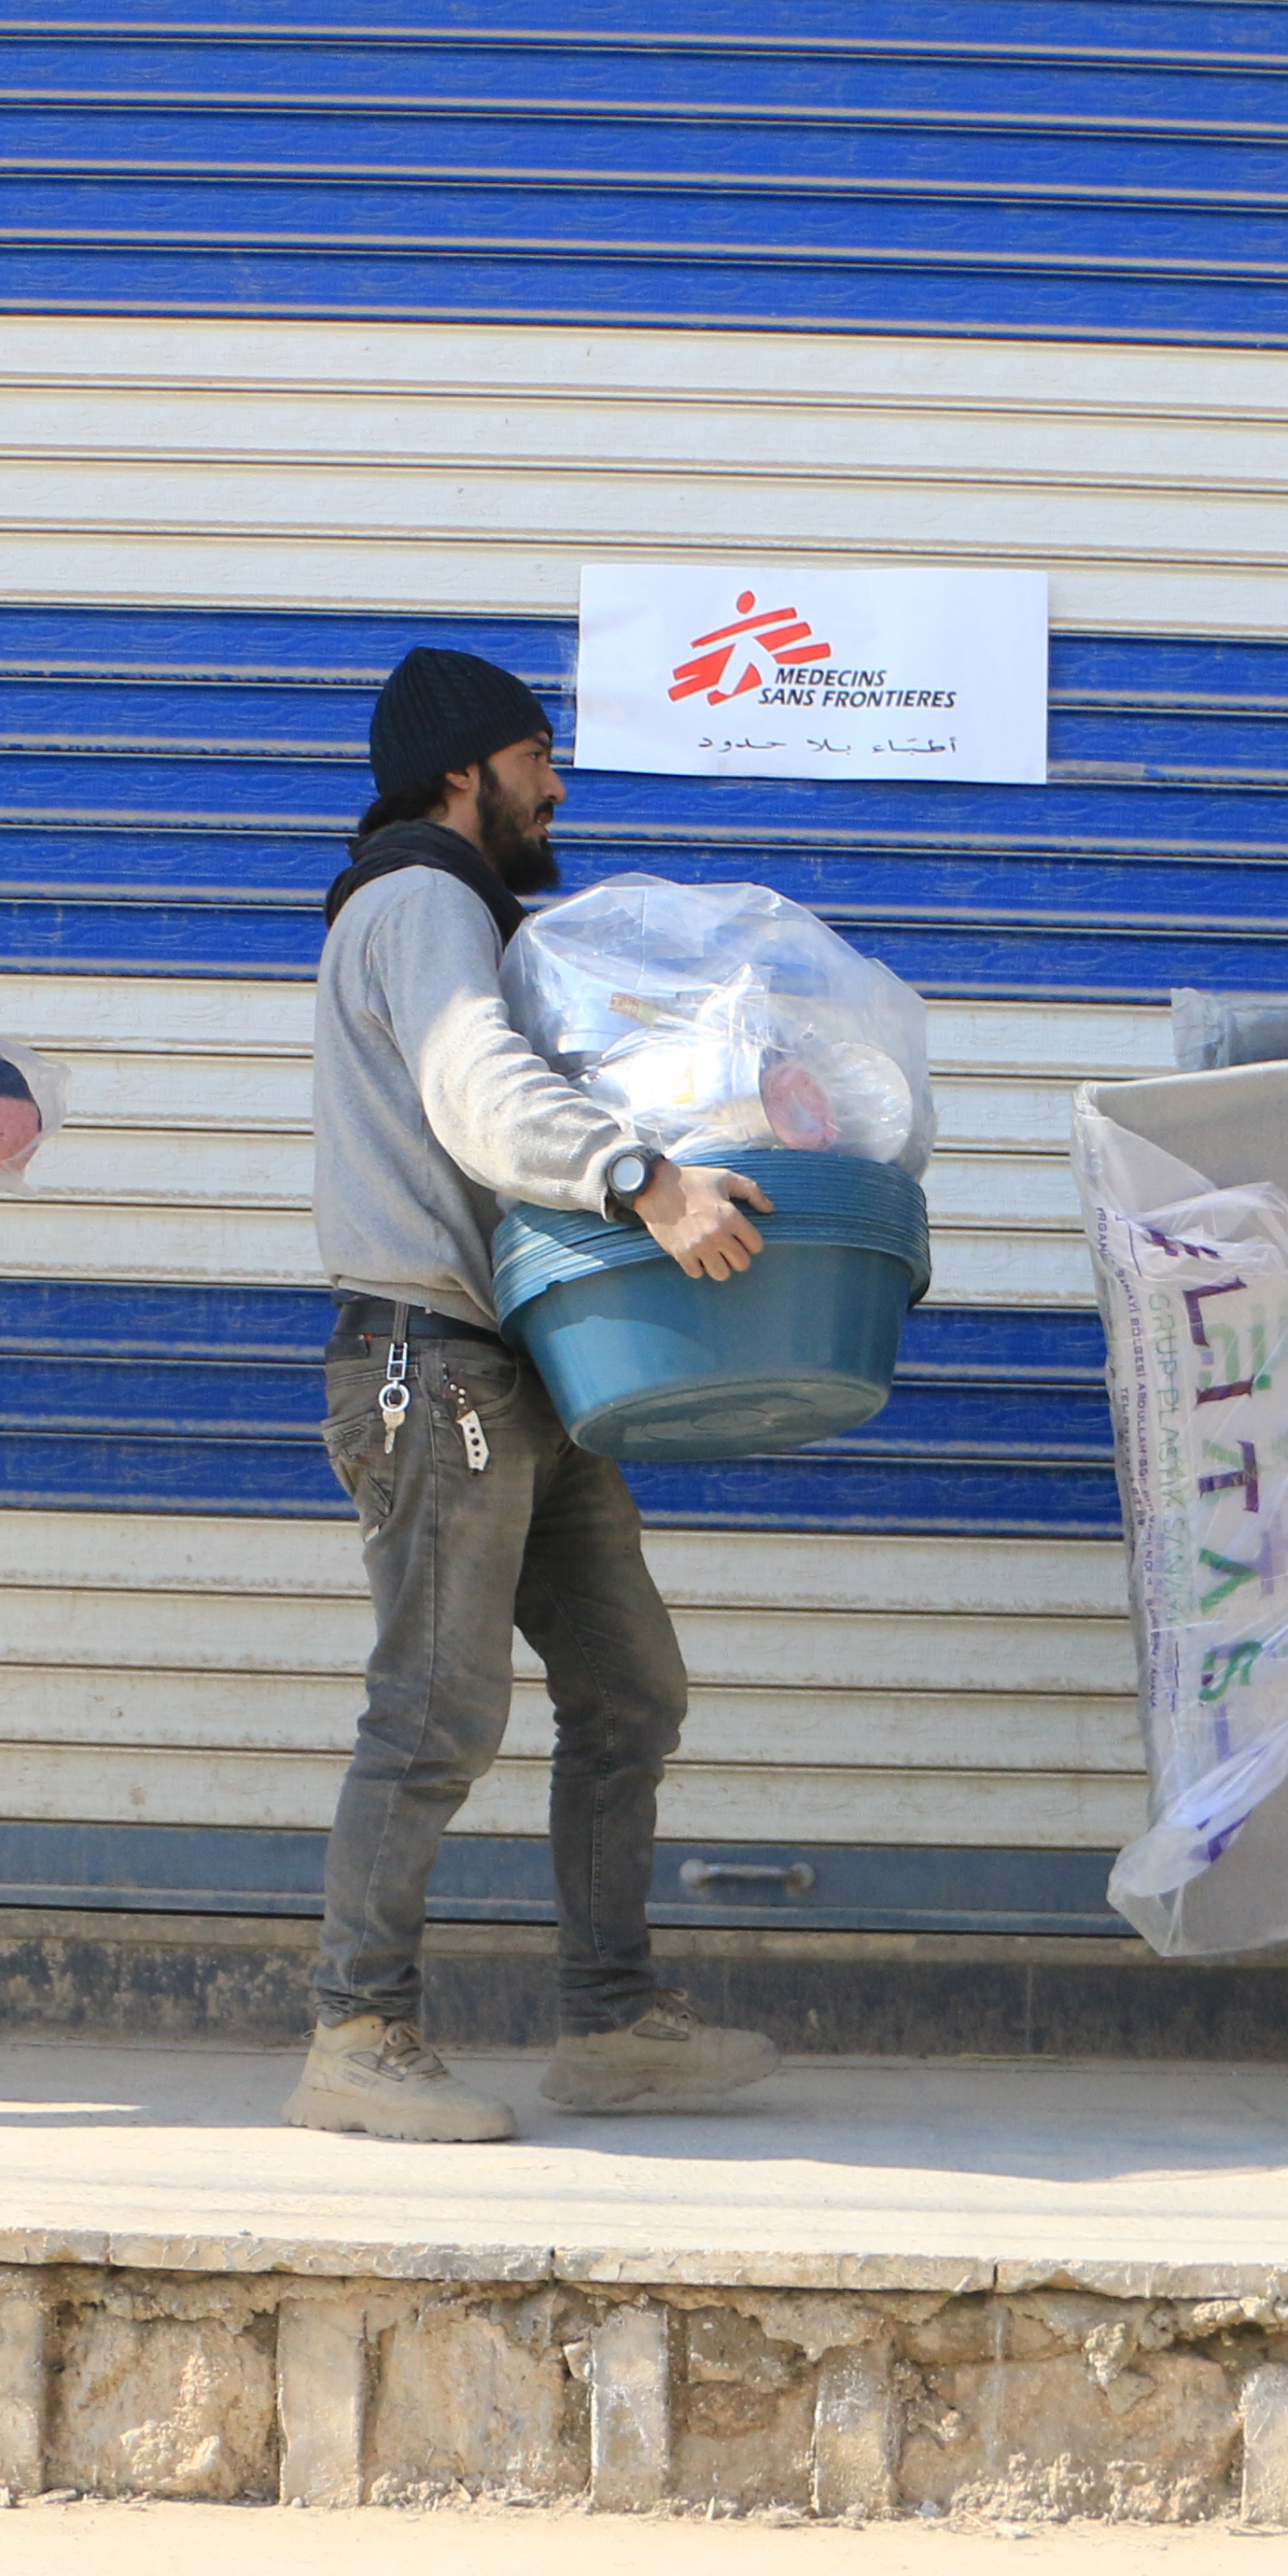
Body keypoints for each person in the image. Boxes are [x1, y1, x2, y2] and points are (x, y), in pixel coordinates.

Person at [295, 645, 791, 2143]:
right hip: (429, 1367)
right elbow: (481, 1089)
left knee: (629, 1685)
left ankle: (610, 2024)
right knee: (434, 1710)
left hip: (513, 1369)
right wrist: (641, 1179)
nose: (555, 782)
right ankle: (355, 2032)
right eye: (535, 755)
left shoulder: (452, 906)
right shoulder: (423, 895)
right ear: (466, 771)